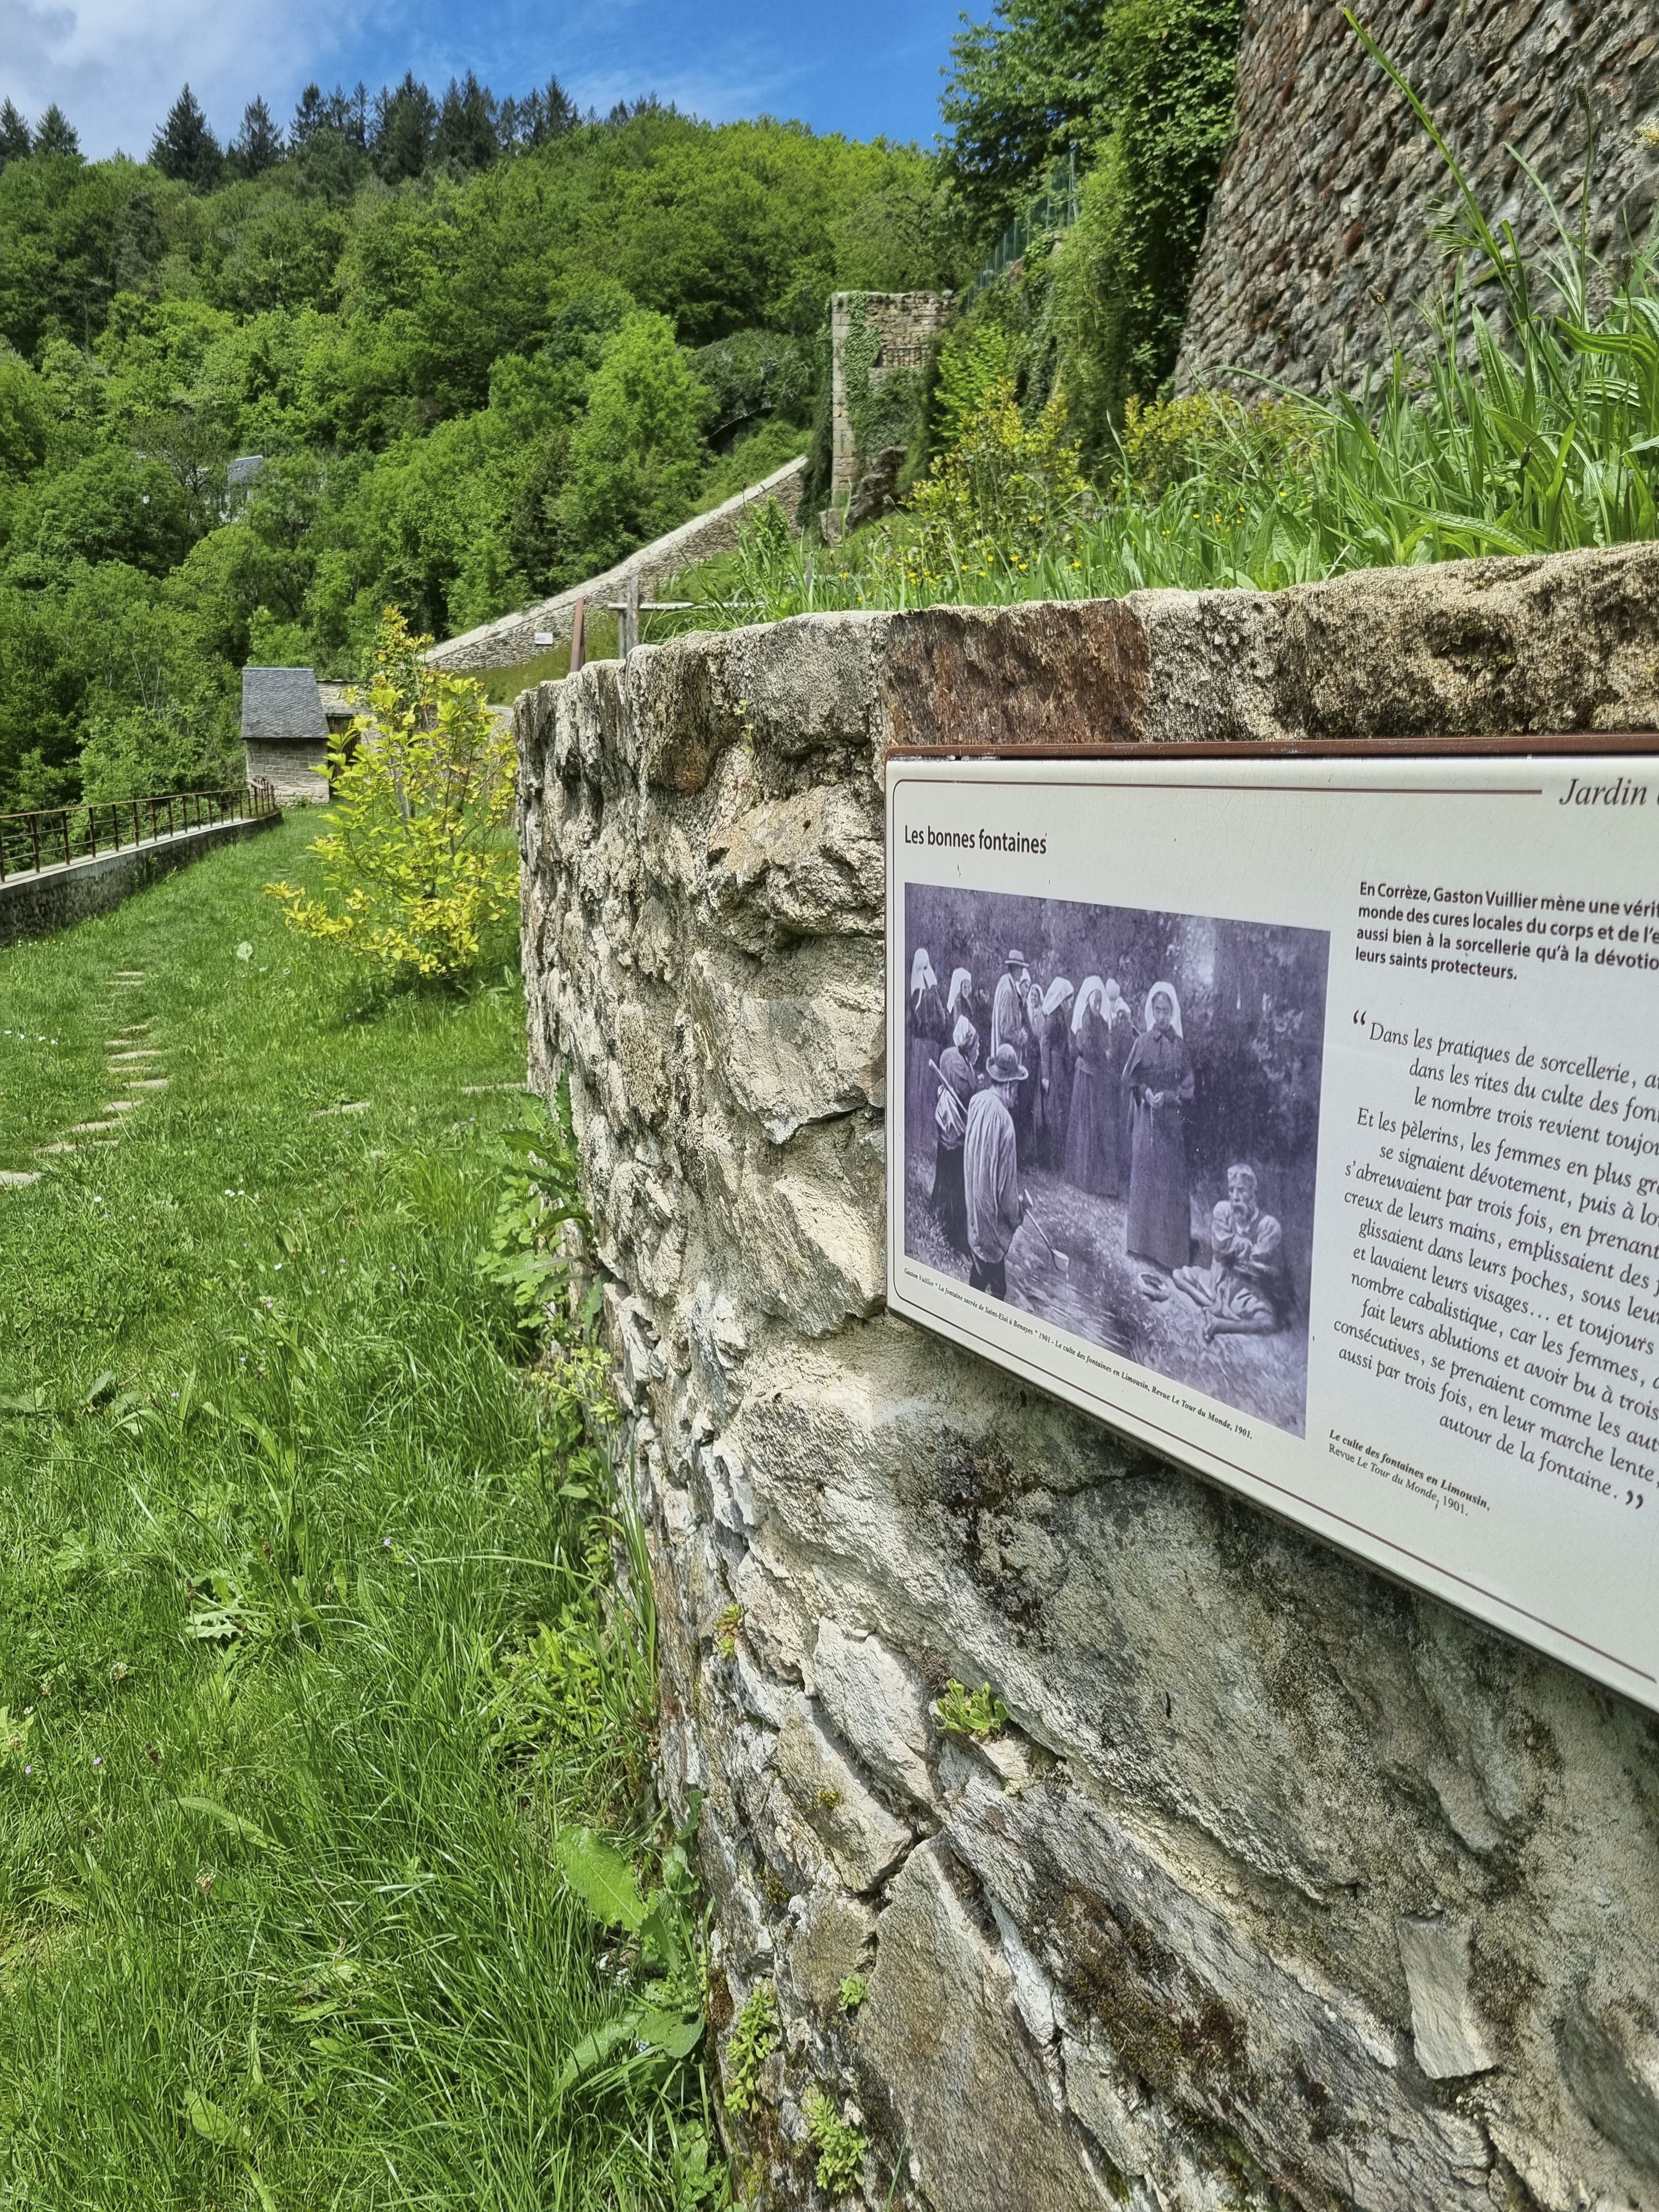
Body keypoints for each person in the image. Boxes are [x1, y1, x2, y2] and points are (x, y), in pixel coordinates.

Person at [1123, 983, 1195, 1273]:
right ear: (1151, 1011)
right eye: (1157, 1010)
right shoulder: (1141, 1043)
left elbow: (1188, 1089)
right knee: (1144, 1176)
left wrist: (1166, 1097)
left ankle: (1168, 1252)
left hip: (1170, 1124)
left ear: (1173, 1012)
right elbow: (1131, 1078)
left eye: (1166, 1011)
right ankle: (1142, 1244)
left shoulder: (1181, 1047)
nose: (1162, 1016)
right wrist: (1144, 1093)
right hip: (1146, 1121)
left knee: (1167, 1181)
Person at [1175, 1165, 1291, 1341]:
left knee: (1267, 1321)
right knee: (1179, 1275)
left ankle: (1221, 1325)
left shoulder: (1269, 1226)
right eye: (1231, 1190)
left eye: (1242, 1190)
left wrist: (1232, 1255)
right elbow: (1221, 1247)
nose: (1235, 1197)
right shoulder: (1222, 1211)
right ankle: (1213, 1305)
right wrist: (1242, 1254)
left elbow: (1259, 1268)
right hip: (1217, 1281)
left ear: (1254, 1193)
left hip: (1245, 1290)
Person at [964, 1042, 1029, 1300]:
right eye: (1017, 1088)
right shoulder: (1005, 1121)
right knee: (995, 1288)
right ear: (1011, 1085)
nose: (1017, 1094)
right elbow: (1005, 1185)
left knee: (980, 1273)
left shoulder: (977, 1102)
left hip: (974, 1208)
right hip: (990, 1217)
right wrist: (1017, 1214)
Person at [930, 1018, 979, 1255]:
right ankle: (952, 1232)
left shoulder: (956, 1058)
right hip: (954, 1122)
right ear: (969, 1046)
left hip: (951, 1120)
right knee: (954, 1176)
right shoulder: (956, 1062)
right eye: (977, 1046)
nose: (979, 1050)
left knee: (947, 1170)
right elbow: (966, 1094)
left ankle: (938, 1210)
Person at [1064, 977, 1114, 1194]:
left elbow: (1108, 1043)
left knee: (1095, 1124)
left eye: (1100, 1001)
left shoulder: (1101, 1021)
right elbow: (1087, 1048)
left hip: (1097, 1076)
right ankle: (1080, 1174)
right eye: (1095, 1000)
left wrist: (1107, 1052)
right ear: (1089, 999)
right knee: (1085, 1124)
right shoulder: (1085, 1020)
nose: (1098, 1004)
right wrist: (1104, 1053)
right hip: (1085, 1076)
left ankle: (1094, 1175)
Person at [906, 949, 949, 1172]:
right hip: (927, 1046)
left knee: (924, 1089)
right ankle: (923, 1136)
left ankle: (923, 1136)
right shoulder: (926, 991)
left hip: (922, 1046)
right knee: (926, 1089)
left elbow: (916, 1022)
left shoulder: (918, 991)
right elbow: (939, 1020)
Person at [1100, 976, 1135, 1196]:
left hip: (1116, 1084)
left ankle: (1115, 1178)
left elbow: (1115, 1054)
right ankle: (1115, 1177)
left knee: (1116, 1128)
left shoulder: (1120, 1022)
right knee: (1116, 1128)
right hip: (1116, 1083)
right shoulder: (1119, 1019)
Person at [1035, 977, 1074, 1167]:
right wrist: (1046, 1075)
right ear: (1062, 999)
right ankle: (1050, 1160)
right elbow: (1045, 1045)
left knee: (1059, 1112)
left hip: (1061, 1068)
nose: (1070, 1004)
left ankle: (1057, 1158)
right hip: (1054, 1068)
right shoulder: (1052, 1018)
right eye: (1068, 1000)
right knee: (1052, 1113)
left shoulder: (1060, 1017)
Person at [991, 951, 1030, 1063]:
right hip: (1006, 1049)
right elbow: (1006, 1029)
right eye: (1020, 968)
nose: (1021, 972)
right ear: (1014, 968)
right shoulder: (1008, 990)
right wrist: (1020, 1036)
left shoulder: (1005, 982)